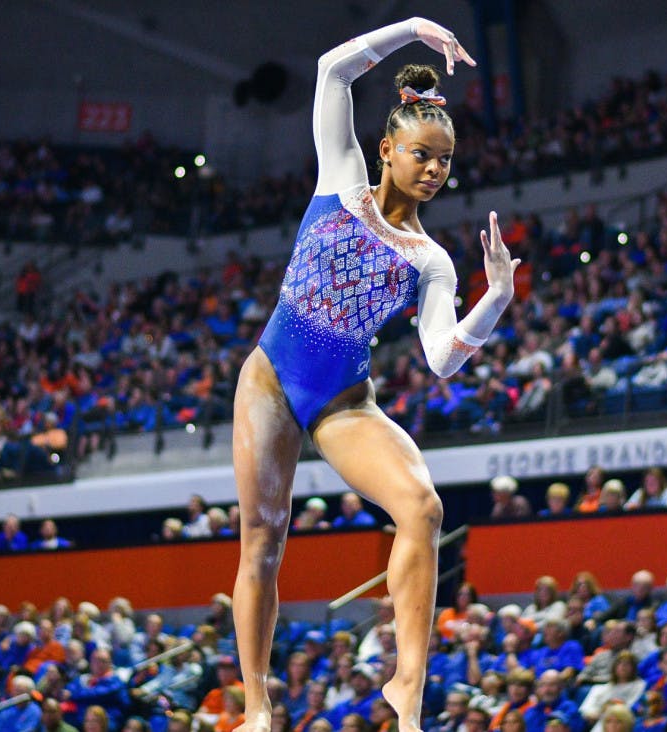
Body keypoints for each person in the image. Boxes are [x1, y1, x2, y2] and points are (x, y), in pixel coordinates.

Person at [228, 16, 514, 725]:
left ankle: (408, 690)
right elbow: (332, 71)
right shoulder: (342, 179)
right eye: (421, 154)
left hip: (342, 403)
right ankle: (259, 704)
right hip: (269, 380)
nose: (433, 170)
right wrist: (412, 29)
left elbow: (443, 359)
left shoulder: (431, 260)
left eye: (444, 163)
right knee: (263, 539)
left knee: (422, 509)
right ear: (387, 149)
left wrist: (498, 298)